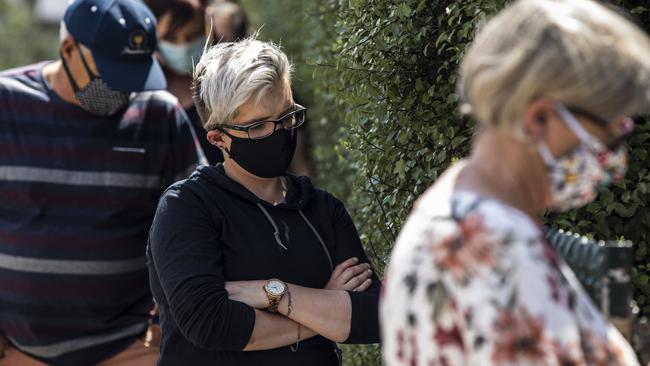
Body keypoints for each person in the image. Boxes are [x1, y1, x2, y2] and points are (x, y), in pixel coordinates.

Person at [380, 0, 650, 365]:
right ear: (540, 118)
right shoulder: (493, 246)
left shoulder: (457, 217)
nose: (615, 157)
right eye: (612, 130)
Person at [147, 38, 380, 365]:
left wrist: (274, 294)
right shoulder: (187, 208)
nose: (279, 133)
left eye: (287, 118)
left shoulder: (322, 209)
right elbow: (209, 323)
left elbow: (373, 316)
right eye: (257, 126)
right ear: (218, 138)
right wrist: (325, 307)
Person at [0, 0, 205, 365]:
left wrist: (169, 317)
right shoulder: (6, 103)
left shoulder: (159, 113)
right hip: (18, 352)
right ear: (68, 50)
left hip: (130, 349)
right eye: (112, 75)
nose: (124, 90)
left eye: (134, 75)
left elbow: (201, 219)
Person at [145, 0, 249, 165]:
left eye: (193, 36)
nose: (183, 47)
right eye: (171, 38)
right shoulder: (144, 98)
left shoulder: (240, 87)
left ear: (209, 27)